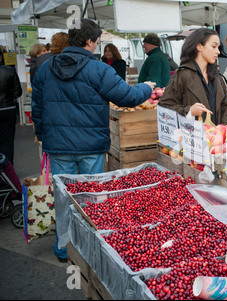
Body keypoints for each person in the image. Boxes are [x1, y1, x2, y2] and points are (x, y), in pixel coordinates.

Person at [31, 18, 154, 262]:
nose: (97, 46)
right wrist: (147, 88)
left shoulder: (46, 67)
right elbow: (127, 97)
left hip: (59, 146)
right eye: (97, 41)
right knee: (92, 199)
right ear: (89, 41)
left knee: (64, 197)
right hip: (91, 146)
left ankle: (64, 247)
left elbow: (37, 107)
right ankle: (89, 248)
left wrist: (45, 137)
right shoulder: (99, 69)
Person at [158, 28, 227, 126]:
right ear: (199, 47)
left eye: (218, 47)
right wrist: (189, 111)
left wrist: (224, 128)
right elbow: (164, 107)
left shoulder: (217, 77)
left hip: (217, 138)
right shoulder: (183, 75)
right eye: (213, 46)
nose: (218, 52)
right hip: (191, 137)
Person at [0, 46, 22, 165]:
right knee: (7, 142)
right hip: (7, 108)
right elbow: (17, 92)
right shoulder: (9, 71)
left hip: (6, 106)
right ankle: (7, 170)